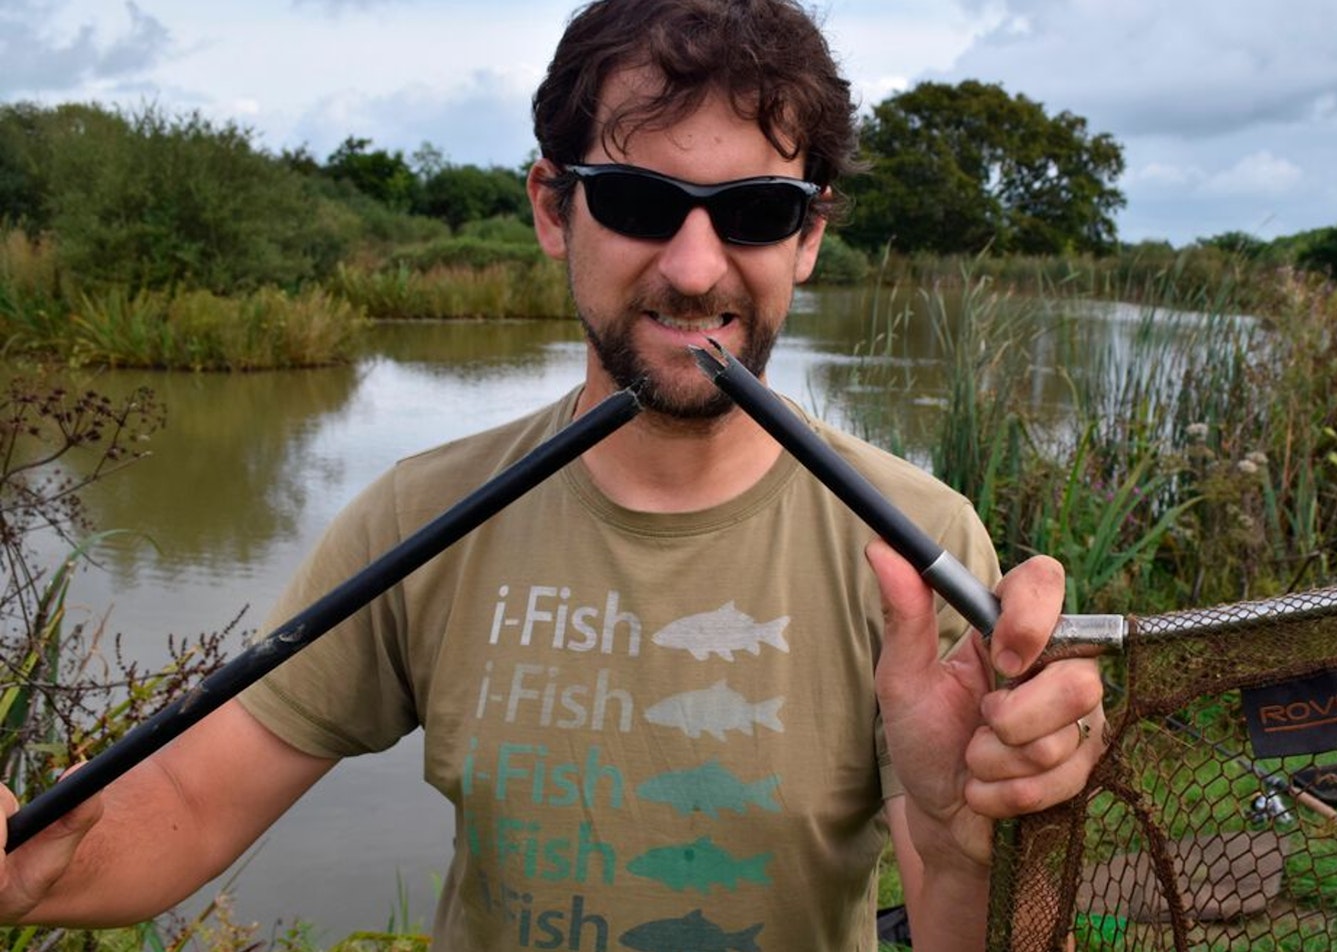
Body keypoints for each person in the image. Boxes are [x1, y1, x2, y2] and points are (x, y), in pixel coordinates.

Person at [0, 0, 1106, 948]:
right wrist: (29, 867)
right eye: (636, 200)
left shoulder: (915, 545)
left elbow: (964, 909)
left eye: (757, 212)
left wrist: (970, 846)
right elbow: (191, 798)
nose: (692, 265)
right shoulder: (421, 513)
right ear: (551, 206)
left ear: (809, 235)